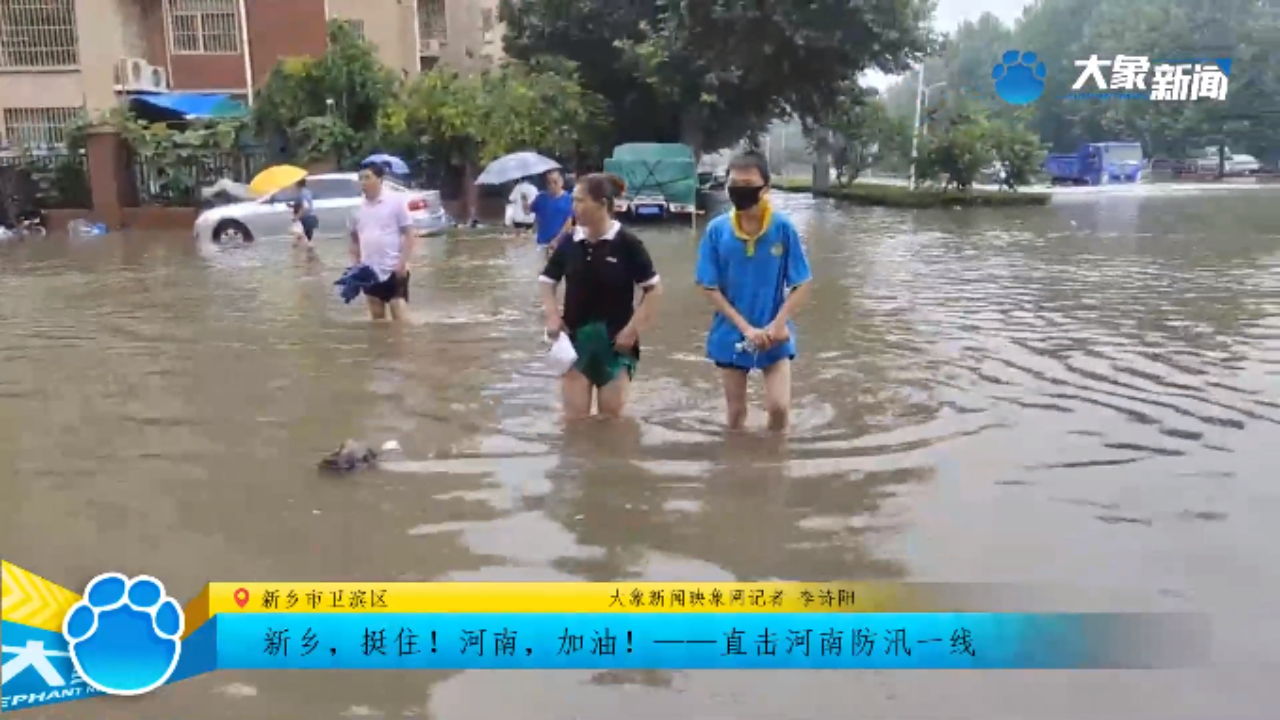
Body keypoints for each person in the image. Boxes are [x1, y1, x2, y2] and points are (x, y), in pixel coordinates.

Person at [695, 150, 812, 432]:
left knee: (779, 408)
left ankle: (776, 466)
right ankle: (737, 467)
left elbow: (802, 282)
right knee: (736, 415)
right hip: (731, 331)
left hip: (776, 331)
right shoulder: (717, 230)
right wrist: (745, 328)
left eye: (748, 185)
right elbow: (707, 286)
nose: (740, 191)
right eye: (735, 184)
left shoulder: (782, 229)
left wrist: (779, 323)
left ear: (766, 188)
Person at [539, 173, 660, 421]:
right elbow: (547, 280)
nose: (574, 207)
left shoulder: (627, 243)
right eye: (574, 200)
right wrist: (552, 316)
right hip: (575, 344)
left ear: (603, 204)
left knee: (611, 423)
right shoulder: (570, 242)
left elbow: (653, 290)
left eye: (580, 201)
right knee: (574, 423)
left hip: (616, 345)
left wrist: (632, 330)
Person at [348, 163, 416, 321]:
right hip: (369, 270)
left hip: (394, 267)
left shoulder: (395, 201)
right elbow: (354, 240)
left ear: (380, 179)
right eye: (361, 178)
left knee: (399, 315)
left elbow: (410, 233)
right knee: (377, 319)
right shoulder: (356, 208)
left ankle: (402, 345)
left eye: (367, 178)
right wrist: (355, 266)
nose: (363, 182)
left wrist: (402, 262)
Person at [530, 168, 574, 254]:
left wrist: (557, 240)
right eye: (549, 183)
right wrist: (524, 200)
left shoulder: (569, 199)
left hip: (561, 243)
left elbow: (568, 222)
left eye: (555, 182)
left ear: (561, 181)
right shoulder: (541, 197)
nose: (552, 186)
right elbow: (528, 211)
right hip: (542, 242)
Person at [291, 177, 318, 246]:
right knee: (305, 240)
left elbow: (305, 207)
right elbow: (304, 204)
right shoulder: (307, 192)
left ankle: (309, 253)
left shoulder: (302, 193)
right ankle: (310, 254)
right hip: (309, 218)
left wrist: (297, 217)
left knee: (302, 241)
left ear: (297, 184)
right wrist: (292, 206)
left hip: (306, 219)